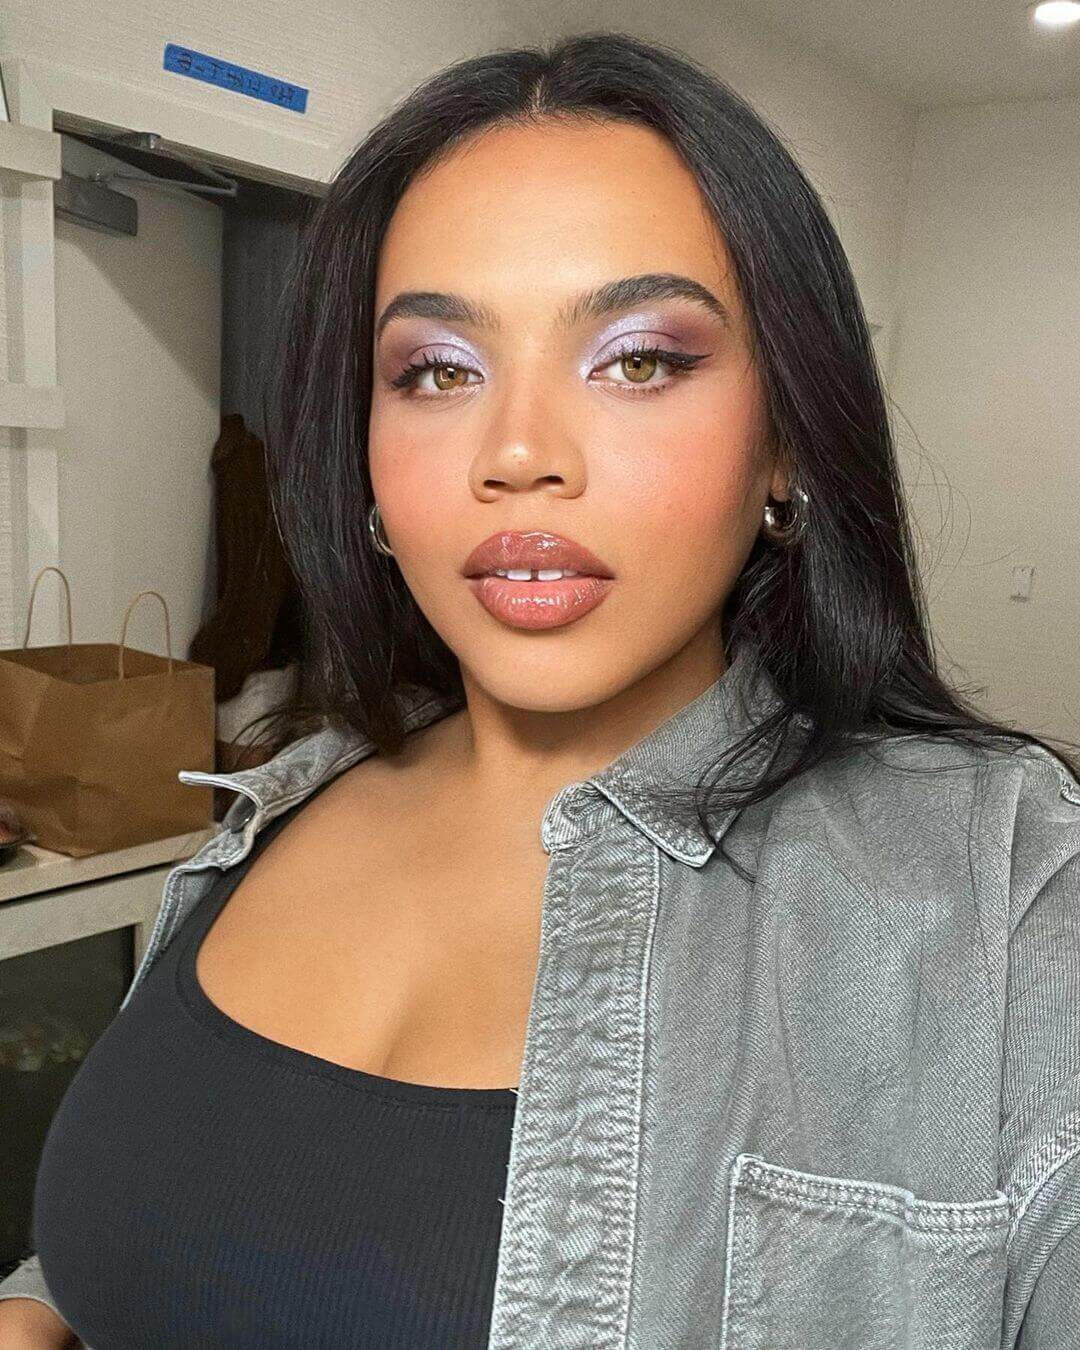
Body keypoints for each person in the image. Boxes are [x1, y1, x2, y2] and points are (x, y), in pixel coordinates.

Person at [2, 29, 1078, 1350]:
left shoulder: (1002, 897)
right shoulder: (277, 803)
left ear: (786, 442)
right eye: (438, 371)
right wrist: (41, 1308)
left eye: (639, 359)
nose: (517, 452)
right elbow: (171, 1224)